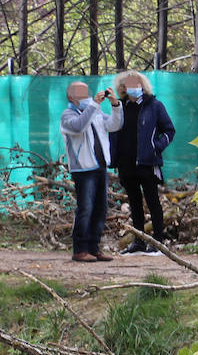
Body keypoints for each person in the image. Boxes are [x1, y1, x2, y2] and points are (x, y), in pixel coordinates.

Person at [110, 71, 175, 256]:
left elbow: (169, 130)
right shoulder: (119, 107)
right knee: (134, 203)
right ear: (122, 88)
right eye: (127, 84)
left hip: (147, 163)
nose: (131, 87)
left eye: (136, 83)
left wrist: (156, 147)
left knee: (153, 202)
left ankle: (158, 243)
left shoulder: (155, 106)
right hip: (125, 163)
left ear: (142, 85)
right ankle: (139, 242)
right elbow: (113, 129)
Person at [60, 80, 123, 262]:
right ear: (71, 97)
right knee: (85, 208)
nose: (86, 97)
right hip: (82, 169)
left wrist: (115, 105)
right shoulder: (67, 115)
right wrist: (94, 104)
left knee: (100, 209)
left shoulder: (95, 113)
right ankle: (80, 249)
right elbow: (79, 126)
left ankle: (94, 248)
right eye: (81, 94)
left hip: (100, 166)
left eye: (87, 92)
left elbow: (114, 125)